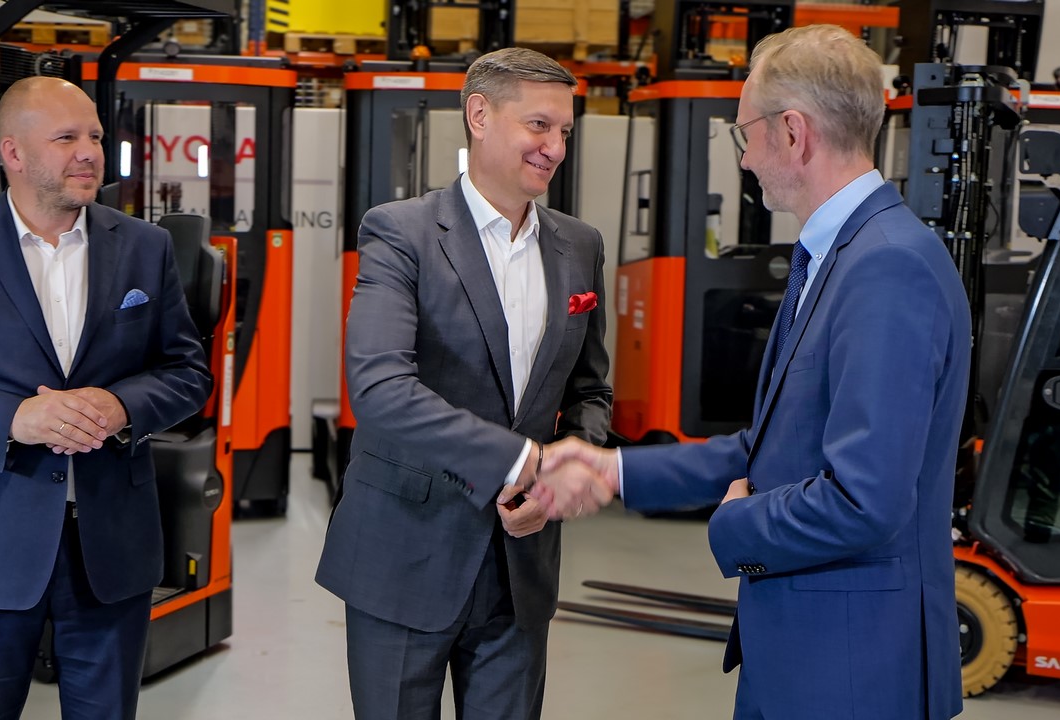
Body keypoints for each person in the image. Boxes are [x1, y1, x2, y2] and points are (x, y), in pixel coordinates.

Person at [534, 25, 970, 720]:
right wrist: (613, 470)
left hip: (848, 673)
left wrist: (735, 525)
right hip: (802, 654)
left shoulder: (887, 266)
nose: (745, 159)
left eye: (747, 134)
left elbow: (865, 500)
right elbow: (771, 447)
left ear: (793, 132)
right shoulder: (837, 257)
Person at [0, 76, 212, 720]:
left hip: (111, 547)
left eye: (95, 138)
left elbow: (187, 372)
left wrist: (122, 408)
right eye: (66, 138)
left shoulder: (145, 246)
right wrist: (15, 418)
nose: (88, 153)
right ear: (14, 152)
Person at [315, 47, 612, 720]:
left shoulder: (580, 245)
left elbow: (590, 390)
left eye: (565, 131)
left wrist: (557, 481)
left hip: (520, 568)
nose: (555, 148)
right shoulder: (402, 233)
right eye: (539, 126)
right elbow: (381, 387)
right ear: (479, 115)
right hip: (405, 555)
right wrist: (521, 460)